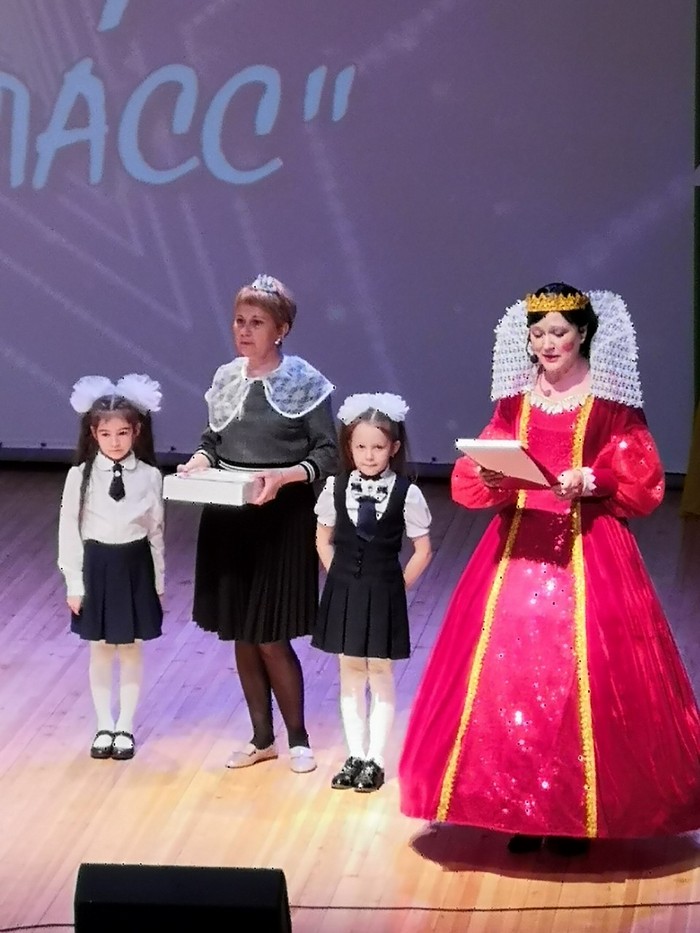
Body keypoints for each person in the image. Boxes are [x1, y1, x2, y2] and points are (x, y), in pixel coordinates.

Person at [399, 283, 700, 855]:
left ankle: (574, 813)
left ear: (582, 333)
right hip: (518, 547)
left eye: (558, 332)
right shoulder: (517, 400)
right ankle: (523, 809)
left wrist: (592, 478)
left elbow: (641, 476)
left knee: (584, 675)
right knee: (510, 676)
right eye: (537, 334)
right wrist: (489, 472)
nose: (546, 344)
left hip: (589, 548)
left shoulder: (609, 401)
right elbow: (484, 460)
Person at [178, 273, 338, 773]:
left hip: (280, 517)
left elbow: (328, 453)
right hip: (229, 516)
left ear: (281, 329)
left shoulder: (305, 381)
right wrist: (200, 461)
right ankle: (261, 738)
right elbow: (212, 440)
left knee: (270, 635)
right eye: (239, 321)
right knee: (242, 634)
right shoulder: (227, 377)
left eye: (256, 323)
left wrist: (285, 476)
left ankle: (299, 739)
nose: (244, 331)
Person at [312, 393, 432, 792]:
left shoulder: (406, 493)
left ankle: (376, 758)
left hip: (383, 595)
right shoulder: (336, 488)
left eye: (377, 447)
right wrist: (340, 577)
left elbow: (422, 549)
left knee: (379, 673)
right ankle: (355, 754)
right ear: (349, 447)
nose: (368, 455)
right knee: (349, 672)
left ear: (393, 448)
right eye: (360, 446)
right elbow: (323, 539)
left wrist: (396, 586)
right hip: (345, 592)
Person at [58, 374, 164, 761]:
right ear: (93, 434)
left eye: (122, 433)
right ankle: (104, 724)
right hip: (97, 567)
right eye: (106, 434)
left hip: (135, 567)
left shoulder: (150, 476)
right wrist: (74, 583)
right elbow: (68, 530)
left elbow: (156, 532)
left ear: (136, 432)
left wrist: (158, 582)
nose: (115, 442)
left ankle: (126, 726)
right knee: (101, 650)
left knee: (131, 649)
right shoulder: (80, 476)